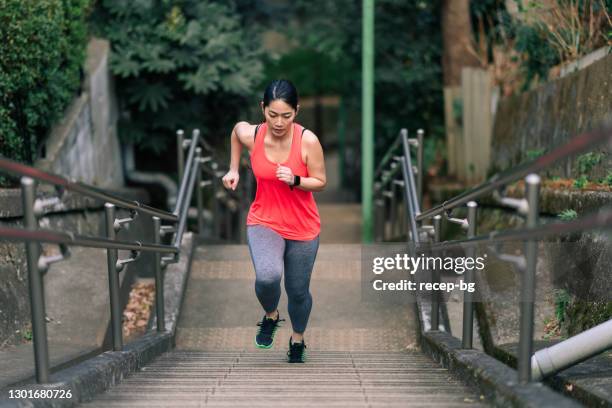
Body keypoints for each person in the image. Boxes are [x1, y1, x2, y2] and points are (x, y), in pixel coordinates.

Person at [221, 79, 326, 363]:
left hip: (303, 226)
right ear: (263, 109)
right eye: (273, 114)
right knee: (267, 277)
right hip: (263, 219)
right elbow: (235, 131)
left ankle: (298, 339)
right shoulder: (252, 135)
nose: (279, 122)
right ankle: (271, 315)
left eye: (287, 115)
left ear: (297, 111)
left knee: (297, 291)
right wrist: (233, 169)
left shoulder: (308, 141)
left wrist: (295, 180)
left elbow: (320, 181)